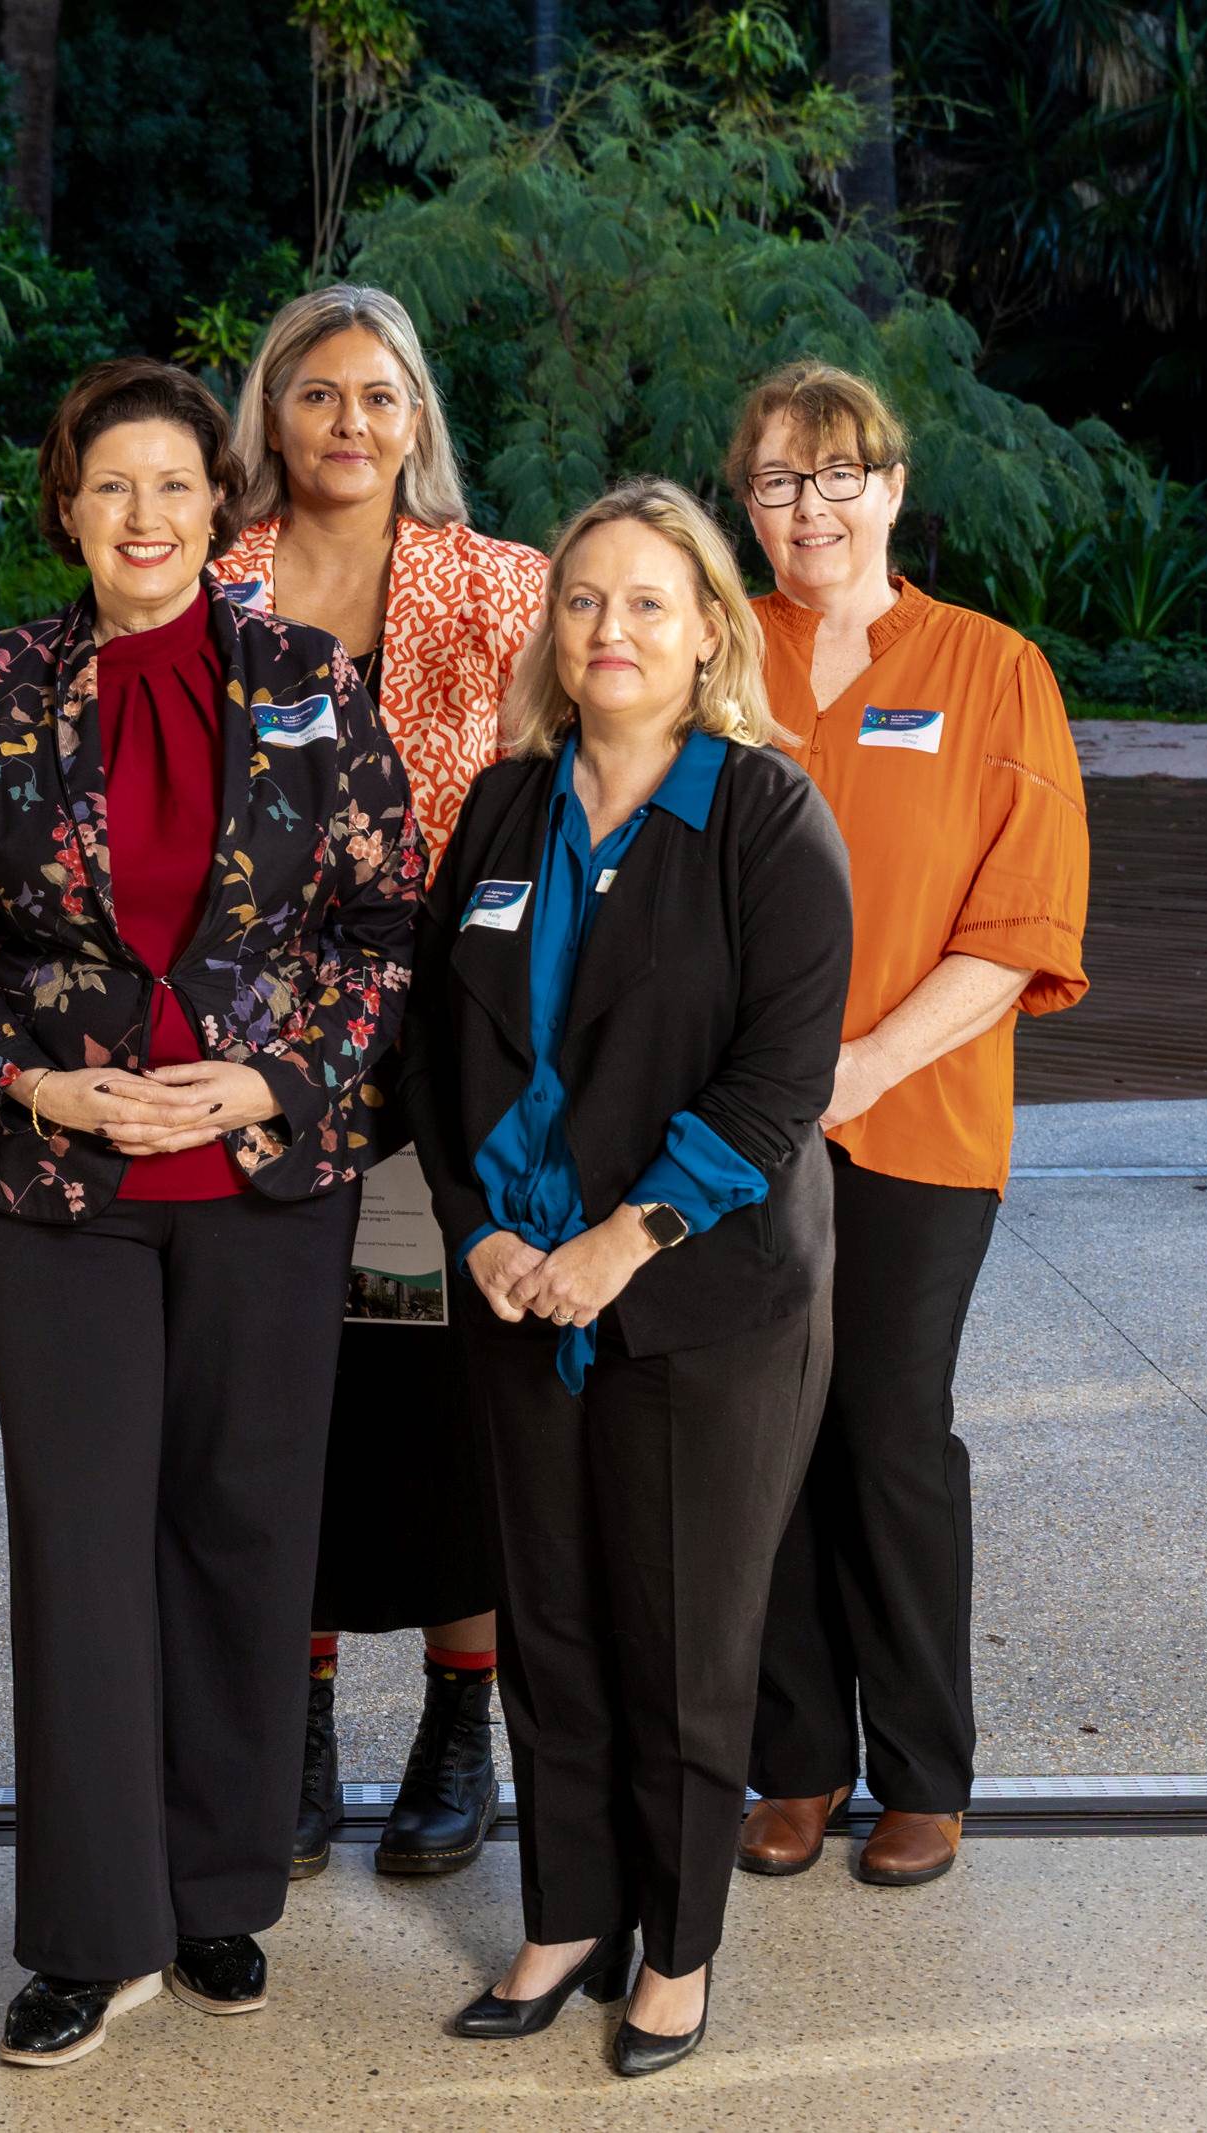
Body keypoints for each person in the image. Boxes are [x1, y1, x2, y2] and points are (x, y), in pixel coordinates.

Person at [0, 358, 425, 2068]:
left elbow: (385, 929)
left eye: (174, 485)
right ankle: (87, 1931)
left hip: (266, 1182)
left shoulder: (311, 683)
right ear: (67, 509)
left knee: (245, 1531)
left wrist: (274, 1079)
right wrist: (30, 1084)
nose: (142, 516)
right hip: (59, 1187)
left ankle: (216, 1895)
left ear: (221, 504)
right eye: (108, 486)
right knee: (85, 1539)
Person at [401, 477, 852, 2078]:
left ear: (709, 630)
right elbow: (431, 1056)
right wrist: (484, 1233)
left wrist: (619, 1242)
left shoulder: (764, 816)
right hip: (515, 1289)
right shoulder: (503, 812)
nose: (612, 629)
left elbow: (778, 1078)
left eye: (650, 601)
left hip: (697, 1296)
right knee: (552, 1617)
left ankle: (679, 1939)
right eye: (585, 599)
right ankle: (568, 1911)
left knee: (682, 1630)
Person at [726, 360, 1091, 1890]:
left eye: (836, 474)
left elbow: (1021, 923)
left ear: (892, 483)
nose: (809, 506)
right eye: (775, 480)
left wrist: (864, 1066)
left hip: (915, 1114)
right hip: (731, 1128)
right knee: (764, 1444)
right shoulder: (714, 657)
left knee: (885, 1429)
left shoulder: (994, 670)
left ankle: (925, 1770)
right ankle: (796, 1760)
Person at [211, 285, 550, 1883]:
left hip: (458, 1043)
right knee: (291, 1389)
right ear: (268, 415)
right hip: (255, 1058)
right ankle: (299, 1718)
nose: (350, 424)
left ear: (419, 420)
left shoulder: (505, 588)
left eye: (380, 396)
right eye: (318, 394)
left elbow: (573, 793)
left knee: (448, 1387)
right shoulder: (206, 584)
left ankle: (459, 1720)